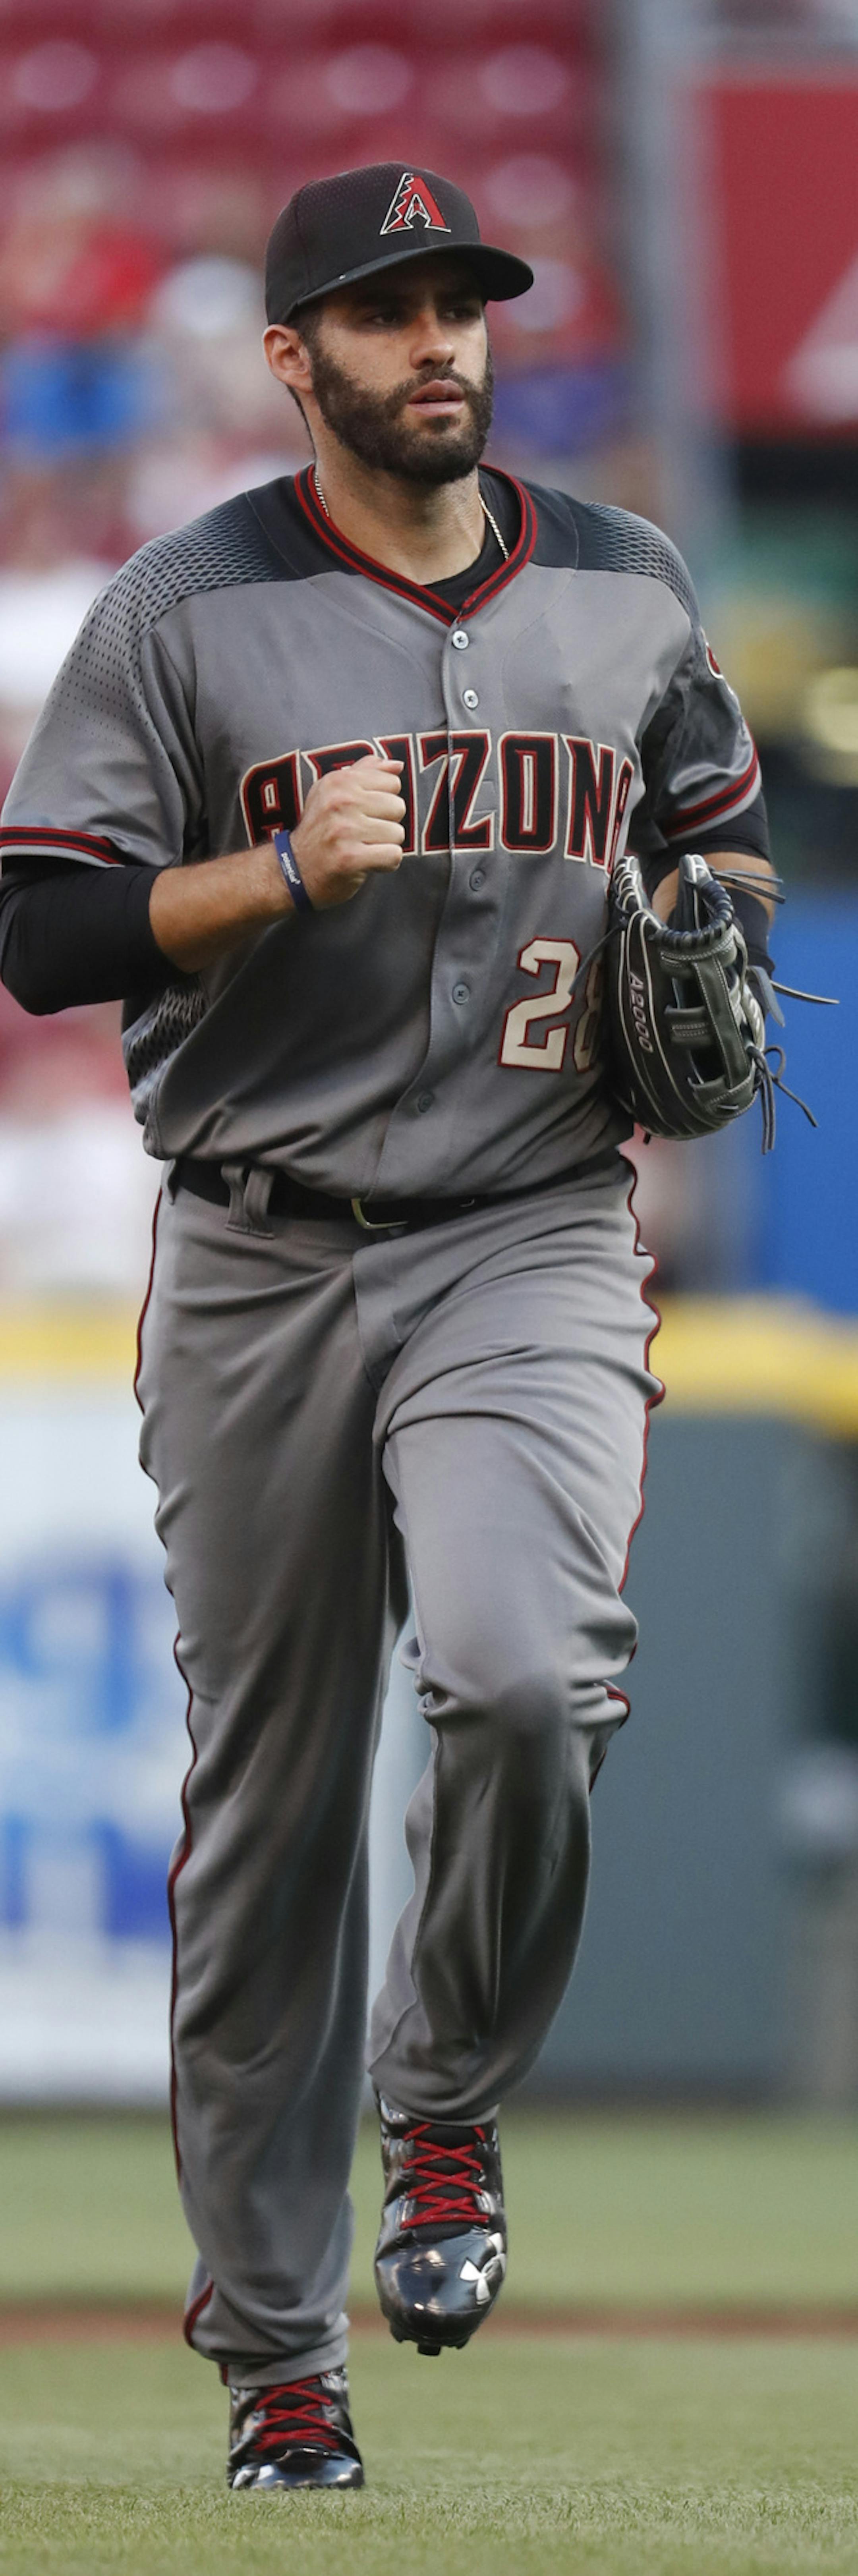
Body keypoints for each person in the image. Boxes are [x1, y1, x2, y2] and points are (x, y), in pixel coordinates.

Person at [0, 162, 776, 2493]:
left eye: (463, 303)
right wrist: (267, 876)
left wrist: (700, 933)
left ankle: (439, 2111)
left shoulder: (630, 587)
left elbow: (722, 842)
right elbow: (43, 935)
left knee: (531, 1673)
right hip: (253, 1247)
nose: (440, 341)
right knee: (266, 1820)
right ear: (294, 359)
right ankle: (276, 2354)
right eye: (387, 309)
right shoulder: (189, 606)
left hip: (527, 1224)